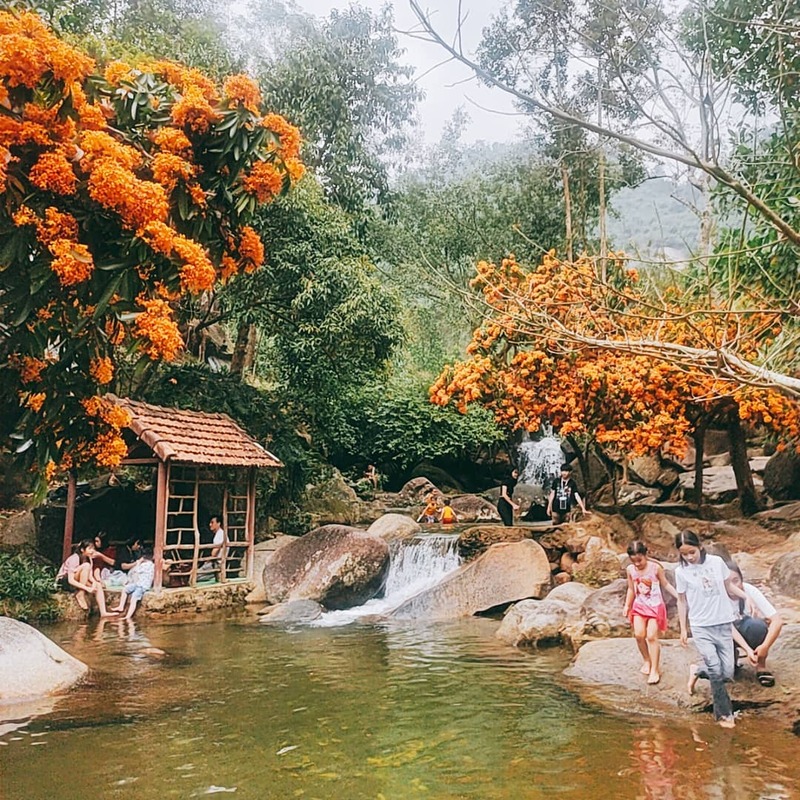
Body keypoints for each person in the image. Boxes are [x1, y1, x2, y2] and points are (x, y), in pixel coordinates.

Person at [675, 530, 752, 728]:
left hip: (723, 623)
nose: (689, 557)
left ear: (700, 547)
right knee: (716, 673)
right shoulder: (681, 572)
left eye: (692, 552)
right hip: (701, 626)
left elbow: (728, 587)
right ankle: (724, 715)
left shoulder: (717, 563)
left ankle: (698, 670)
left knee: (727, 672)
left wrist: (746, 597)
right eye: (685, 554)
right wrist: (683, 628)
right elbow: (682, 601)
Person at [722, 556, 784, 687]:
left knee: (757, 626)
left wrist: (765, 646)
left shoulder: (749, 590)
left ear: (742, 580)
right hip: (726, 633)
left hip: (745, 627)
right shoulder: (718, 597)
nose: (733, 586)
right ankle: (731, 659)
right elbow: (727, 628)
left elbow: (777, 621)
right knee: (727, 671)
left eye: (736, 581)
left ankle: (761, 666)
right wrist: (748, 650)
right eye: (728, 582)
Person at [623, 540, 678, 685]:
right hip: (639, 606)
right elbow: (630, 588)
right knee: (639, 634)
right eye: (633, 561)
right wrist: (627, 605)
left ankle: (655, 669)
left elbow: (665, 584)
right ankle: (646, 660)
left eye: (639, 560)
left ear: (645, 555)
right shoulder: (630, 570)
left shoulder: (655, 568)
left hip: (655, 607)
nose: (637, 564)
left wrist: (679, 596)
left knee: (652, 636)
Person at [56, 538, 115, 616]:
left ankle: (103, 612)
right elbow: (71, 580)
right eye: (90, 548)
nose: (92, 551)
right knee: (86, 566)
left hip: (78, 579)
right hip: (64, 581)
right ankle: (80, 594)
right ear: (82, 550)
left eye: (93, 548)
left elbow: (90, 576)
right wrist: (86, 588)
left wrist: (94, 583)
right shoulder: (75, 558)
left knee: (98, 585)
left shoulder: (89, 559)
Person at [112, 546, 155, 619]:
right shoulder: (152, 564)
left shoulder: (147, 565)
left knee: (134, 598)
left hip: (142, 586)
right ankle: (121, 606)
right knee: (125, 589)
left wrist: (138, 563)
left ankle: (128, 616)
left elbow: (136, 570)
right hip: (138, 584)